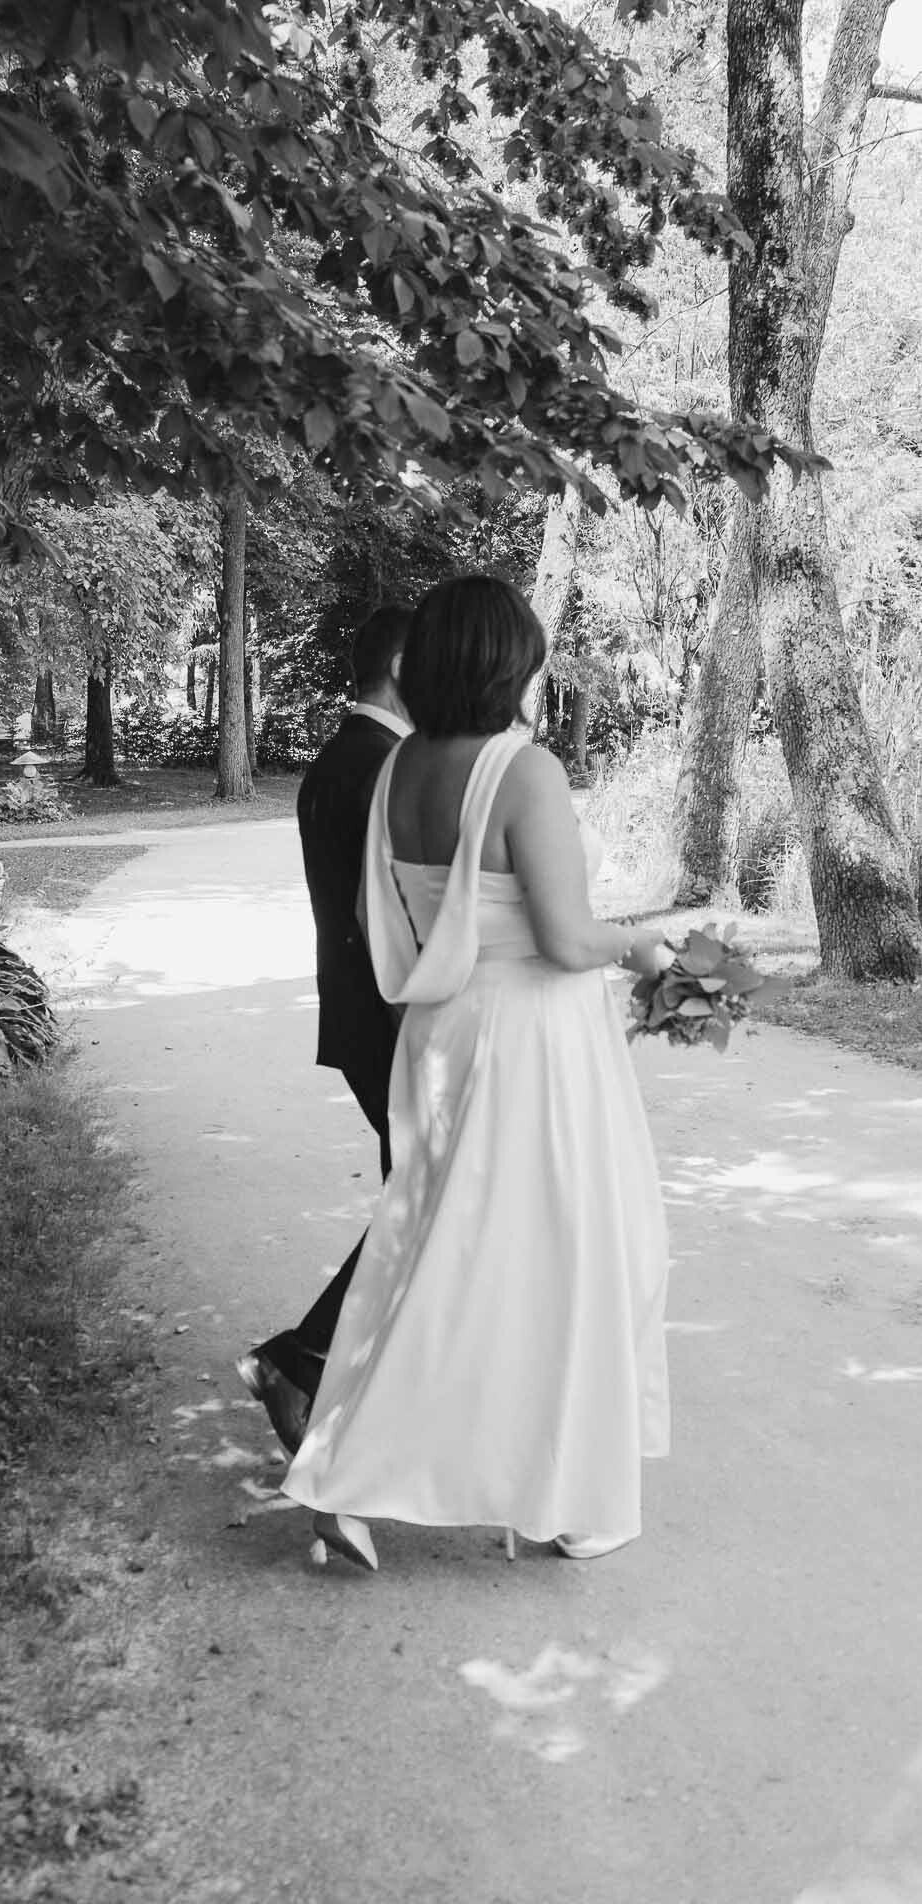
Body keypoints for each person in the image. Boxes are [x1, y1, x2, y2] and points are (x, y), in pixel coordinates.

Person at [281, 574, 672, 1573]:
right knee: (563, 1255)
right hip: (531, 1038)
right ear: (508, 661)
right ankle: (561, 1495)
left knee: (435, 1251)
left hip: (441, 1030)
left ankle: (346, 1475)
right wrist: (649, 949)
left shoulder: (401, 767)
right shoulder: (523, 770)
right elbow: (568, 937)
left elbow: (379, 918)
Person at [236, 604, 414, 1455]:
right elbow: (390, 915)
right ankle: (301, 1361)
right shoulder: (377, 765)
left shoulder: (350, 756)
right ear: (404, 666)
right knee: (429, 1200)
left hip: (364, 1016)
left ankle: (349, 1374)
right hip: (389, 1020)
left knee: (422, 1195)